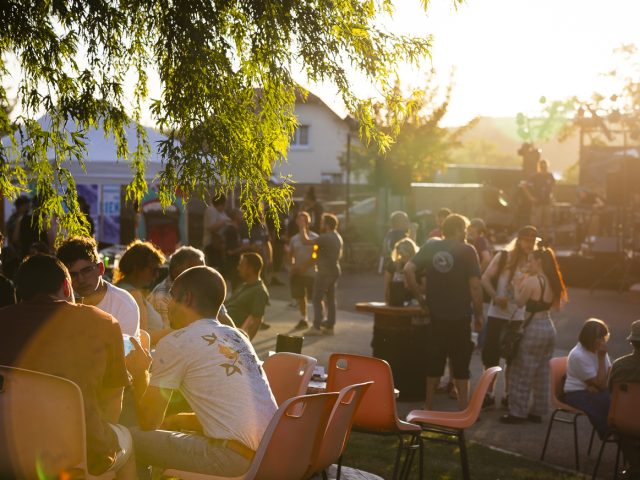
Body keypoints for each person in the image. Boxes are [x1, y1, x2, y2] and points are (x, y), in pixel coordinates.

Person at [125, 265, 277, 477]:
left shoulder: (176, 342)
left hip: (230, 460)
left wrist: (140, 371)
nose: (168, 306)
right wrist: (177, 420)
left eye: (172, 298)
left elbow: (149, 422)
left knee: (125, 439)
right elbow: (234, 414)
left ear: (186, 298)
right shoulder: (237, 336)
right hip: (270, 456)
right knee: (167, 434)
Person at [0, 255, 135, 478]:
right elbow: (113, 401)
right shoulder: (104, 323)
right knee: (127, 441)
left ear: (19, 291)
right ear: (65, 286)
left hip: (8, 451)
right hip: (80, 456)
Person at [404, 214, 484, 410]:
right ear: (457, 230)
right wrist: (479, 314)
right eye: (464, 231)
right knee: (461, 362)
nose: (466, 234)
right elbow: (475, 286)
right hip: (461, 316)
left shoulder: (431, 247)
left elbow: (408, 269)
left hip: (436, 316)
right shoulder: (468, 251)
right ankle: (463, 407)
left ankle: (429, 405)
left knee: (434, 360)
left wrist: (422, 300)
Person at [501, 246, 568, 424]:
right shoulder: (551, 281)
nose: (528, 263)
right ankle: (537, 410)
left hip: (533, 329)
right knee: (541, 371)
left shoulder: (533, 281)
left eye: (530, 260)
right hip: (548, 327)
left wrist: (516, 285)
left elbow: (519, 302)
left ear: (539, 262)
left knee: (521, 371)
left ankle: (517, 412)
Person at [480, 226, 538, 408]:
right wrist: (495, 297)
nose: (529, 244)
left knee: (512, 358)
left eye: (532, 240)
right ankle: (488, 394)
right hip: (497, 314)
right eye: (526, 239)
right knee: (491, 357)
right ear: (519, 240)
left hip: (517, 316)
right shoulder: (504, 257)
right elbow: (485, 278)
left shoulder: (535, 262)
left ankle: (508, 394)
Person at [57, 236, 140, 339]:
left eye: (86, 271)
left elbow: (123, 351)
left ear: (100, 269)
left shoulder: (123, 303)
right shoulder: (63, 302)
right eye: (73, 275)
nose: (81, 279)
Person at [563, 318, 611, 439]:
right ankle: (610, 432)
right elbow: (601, 384)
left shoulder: (599, 350)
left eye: (604, 337)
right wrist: (601, 359)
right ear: (589, 338)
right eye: (599, 338)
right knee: (608, 400)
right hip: (575, 393)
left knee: (619, 398)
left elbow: (609, 373)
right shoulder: (579, 355)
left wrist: (598, 385)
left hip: (591, 389)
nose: (602, 341)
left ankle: (618, 429)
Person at [113, 240, 167, 344]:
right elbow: (141, 338)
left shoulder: (117, 289)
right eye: (153, 270)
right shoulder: (133, 294)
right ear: (137, 268)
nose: (156, 275)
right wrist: (173, 332)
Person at [300, 213, 343, 336]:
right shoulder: (337, 237)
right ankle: (329, 326)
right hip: (334, 270)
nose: (321, 224)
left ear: (327, 225)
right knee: (330, 298)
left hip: (325, 272)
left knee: (316, 298)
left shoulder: (325, 237)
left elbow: (305, 241)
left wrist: (303, 226)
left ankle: (316, 326)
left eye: (323, 222)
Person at [609, 319, 640, 479]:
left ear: (632, 343)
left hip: (623, 422)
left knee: (620, 428)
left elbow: (610, 391)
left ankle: (635, 465)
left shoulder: (618, 365)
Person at [225, 252, 270, 339]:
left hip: (230, 334)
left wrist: (244, 345)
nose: (238, 268)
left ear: (250, 268)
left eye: (241, 266)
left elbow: (256, 322)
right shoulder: (244, 285)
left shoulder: (259, 291)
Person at [288, 211, 318, 330]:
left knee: (316, 296)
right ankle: (304, 318)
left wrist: (305, 266)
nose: (301, 222)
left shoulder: (315, 238)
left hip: (311, 272)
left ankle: (319, 319)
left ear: (308, 222)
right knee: (301, 296)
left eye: (303, 220)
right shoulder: (294, 239)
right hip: (298, 273)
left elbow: (316, 255)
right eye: (299, 220)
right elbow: (290, 254)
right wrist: (293, 265)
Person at [523, 159, 555, 241]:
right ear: (539, 166)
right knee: (536, 224)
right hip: (538, 204)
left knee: (546, 225)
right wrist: (531, 197)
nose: (543, 167)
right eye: (542, 166)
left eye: (545, 166)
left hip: (547, 203)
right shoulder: (535, 176)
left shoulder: (550, 176)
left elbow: (553, 187)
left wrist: (552, 197)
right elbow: (524, 186)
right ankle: (534, 240)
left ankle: (545, 241)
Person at [385, 238, 418, 307]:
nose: (403, 258)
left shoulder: (416, 266)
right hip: (396, 300)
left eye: (406, 256)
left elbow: (424, 288)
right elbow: (387, 288)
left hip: (413, 300)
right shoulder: (392, 265)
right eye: (401, 255)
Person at [202, 194, 229, 269]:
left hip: (221, 245)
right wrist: (224, 221)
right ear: (220, 204)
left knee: (222, 267)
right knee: (215, 267)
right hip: (212, 244)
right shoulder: (211, 210)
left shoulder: (222, 212)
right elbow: (212, 227)